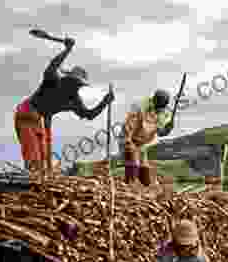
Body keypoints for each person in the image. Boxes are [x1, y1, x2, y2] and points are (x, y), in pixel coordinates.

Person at [14, 37, 114, 174]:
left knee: (44, 158)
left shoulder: (74, 100)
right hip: (25, 114)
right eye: (75, 82)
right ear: (68, 79)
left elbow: (89, 115)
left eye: (79, 85)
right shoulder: (53, 80)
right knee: (33, 157)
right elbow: (53, 64)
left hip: (39, 120)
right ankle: (34, 175)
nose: (76, 87)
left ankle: (41, 175)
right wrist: (67, 50)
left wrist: (104, 102)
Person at [115, 90, 174, 185]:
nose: (160, 109)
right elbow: (129, 125)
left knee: (144, 168)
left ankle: (144, 187)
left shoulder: (162, 113)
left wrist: (168, 129)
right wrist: (128, 142)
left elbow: (160, 133)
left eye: (162, 107)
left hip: (141, 143)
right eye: (158, 106)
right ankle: (130, 185)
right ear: (154, 100)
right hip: (129, 138)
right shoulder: (141, 106)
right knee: (133, 163)